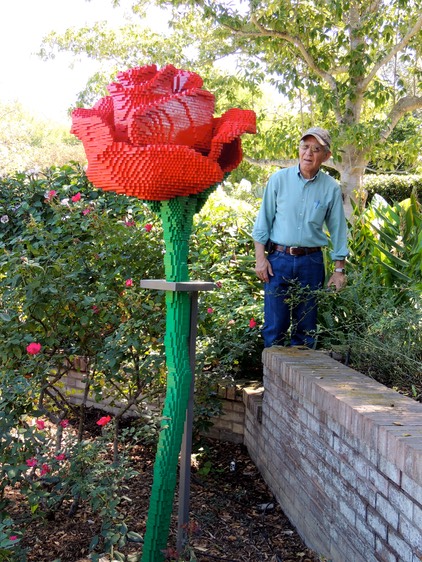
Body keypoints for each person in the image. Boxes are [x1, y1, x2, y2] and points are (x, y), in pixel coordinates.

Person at [252, 127, 348, 348]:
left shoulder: (331, 188)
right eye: (305, 147)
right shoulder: (278, 180)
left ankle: (300, 381)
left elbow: (338, 229)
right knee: (274, 327)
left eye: (316, 149)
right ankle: (273, 382)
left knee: (306, 330)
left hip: (311, 262)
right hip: (278, 261)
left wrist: (339, 270)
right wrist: (260, 258)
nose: (309, 154)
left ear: (326, 156)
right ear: (299, 148)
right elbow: (263, 222)